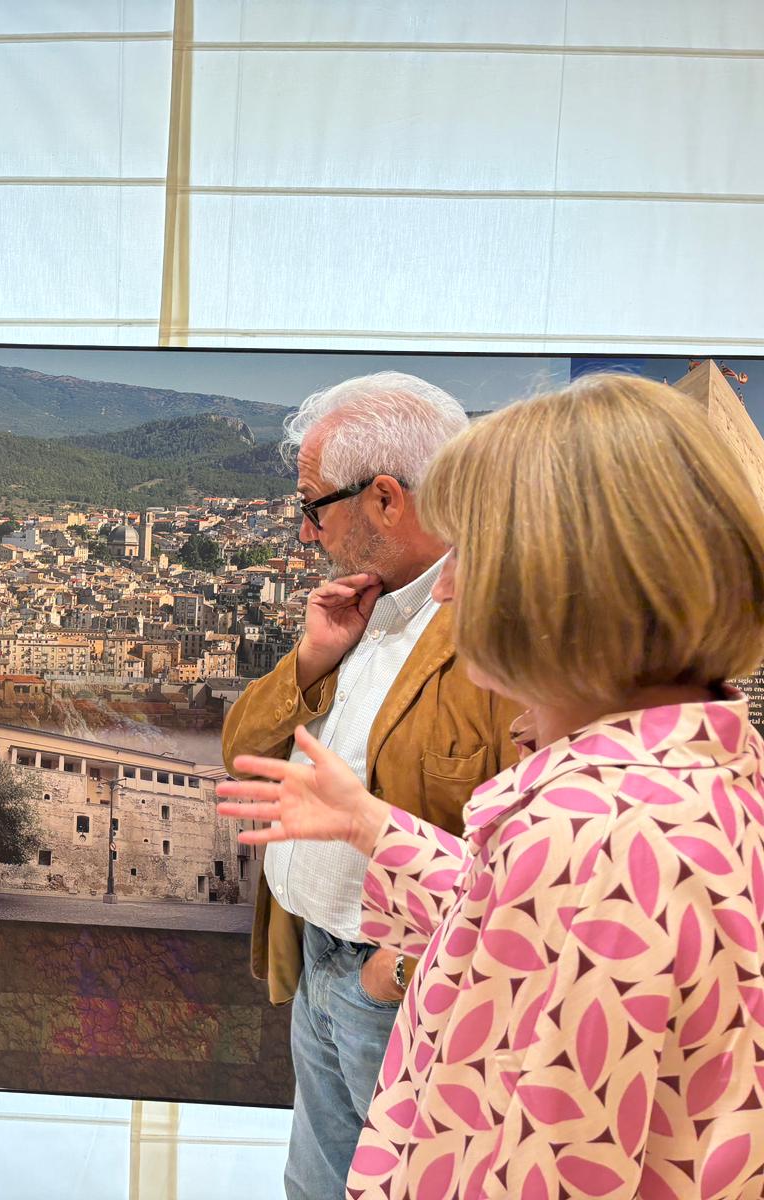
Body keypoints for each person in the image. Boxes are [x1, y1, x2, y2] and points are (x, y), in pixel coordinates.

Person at [219, 374, 764, 1199]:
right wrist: (371, 825)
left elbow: (545, 1165)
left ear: (562, 578)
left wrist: (388, 975)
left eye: (472, 548)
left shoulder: (590, 838)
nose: (444, 584)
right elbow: (519, 910)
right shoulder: (688, 774)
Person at [220, 371, 521, 1199]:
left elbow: (523, 850)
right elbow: (243, 752)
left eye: (314, 503)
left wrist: (390, 969)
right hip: (323, 963)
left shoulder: (498, 630)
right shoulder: (364, 609)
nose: (308, 529)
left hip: (398, 984)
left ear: (385, 498)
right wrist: (314, 658)